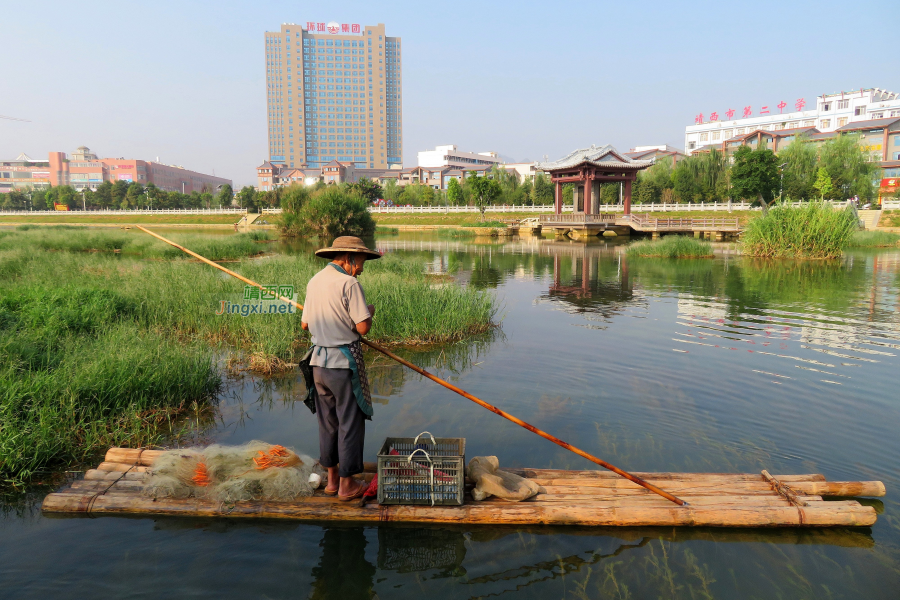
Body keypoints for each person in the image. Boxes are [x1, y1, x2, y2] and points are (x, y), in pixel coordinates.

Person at [301, 236, 380, 502]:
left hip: (318, 366)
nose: (361, 269)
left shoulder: (314, 281)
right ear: (349, 258)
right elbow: (362, 328)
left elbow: (305, 325)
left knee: (328, 424)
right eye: (361, 263)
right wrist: (368, 311)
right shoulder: (349, 283)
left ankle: (332, 482)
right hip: (341, 365)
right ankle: (347, 487)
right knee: (349, 423)